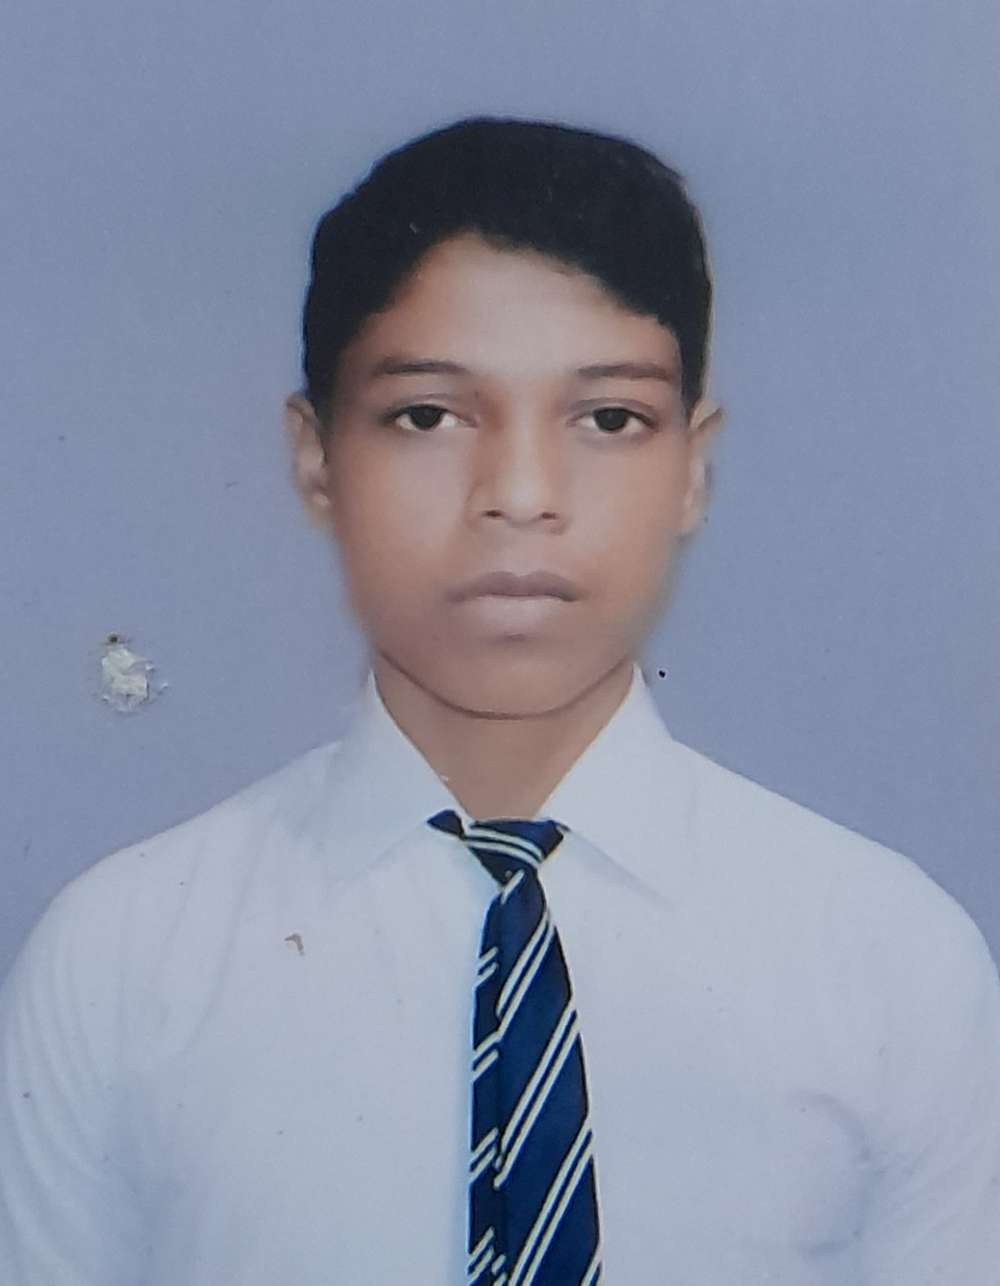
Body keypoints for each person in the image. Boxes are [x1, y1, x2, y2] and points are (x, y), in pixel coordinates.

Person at [1, 116, 998, 1285]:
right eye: (427, 415)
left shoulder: (890, 961)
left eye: (609, 419)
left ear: (693, 465)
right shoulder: (120, 964)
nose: (519, 494)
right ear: (315, 455)